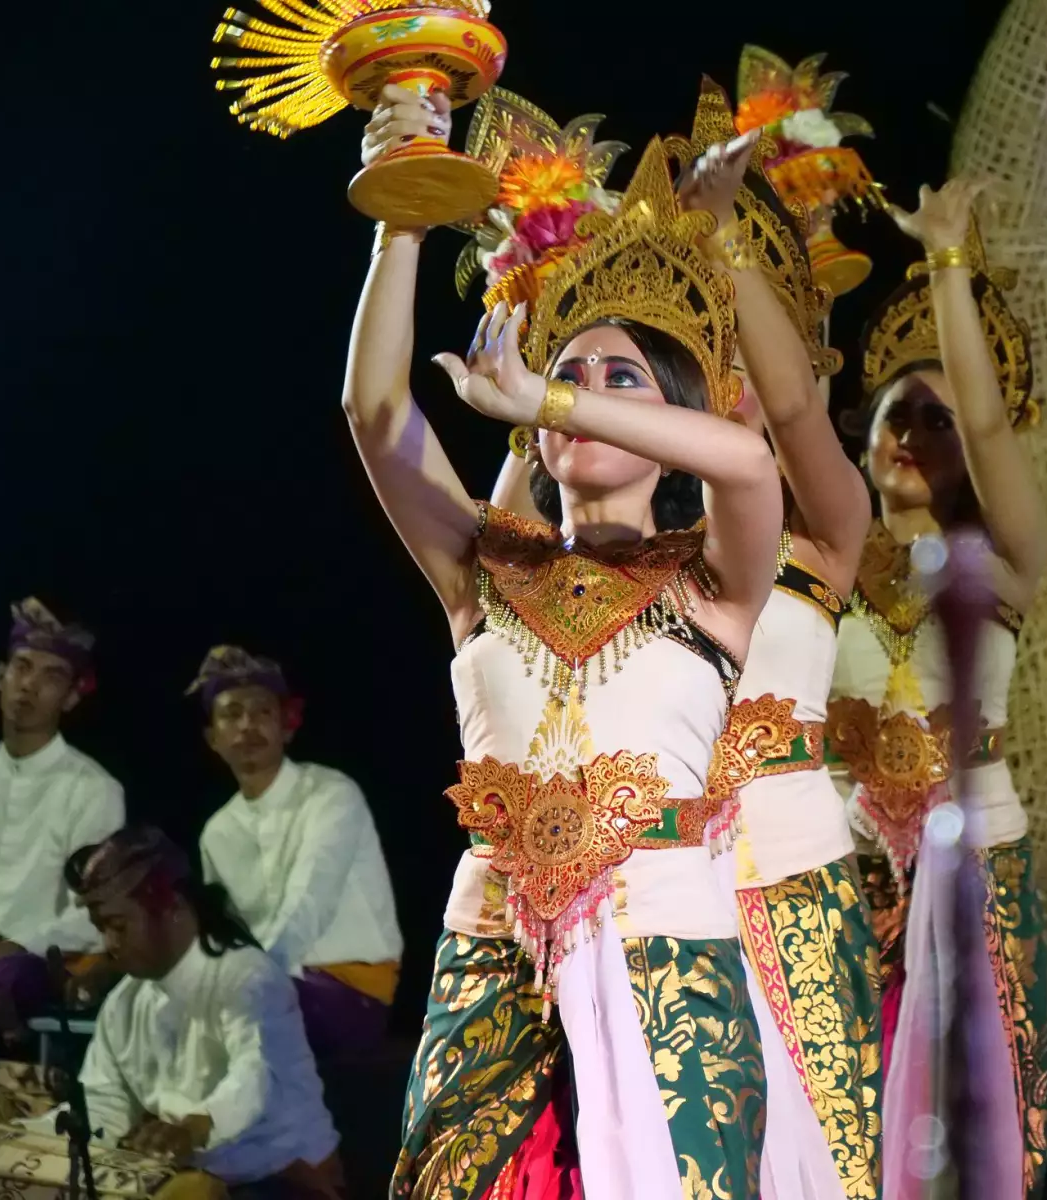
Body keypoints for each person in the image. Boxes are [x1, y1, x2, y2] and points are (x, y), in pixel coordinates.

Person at [344, 86, 782, 1199]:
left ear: (667, 427)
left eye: (618, 379)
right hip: (492, 945)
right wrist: (404, 214)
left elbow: (748, 464)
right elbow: (376, 416)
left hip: (669, 952)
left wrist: (549, 396)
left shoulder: (710, 582)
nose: (582, 393)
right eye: (571, 373)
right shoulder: (485, 568)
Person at [826, 184, 1047, 1197]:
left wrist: (950, 260)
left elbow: (993, 428)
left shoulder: (1002, 564)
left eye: (936, 419)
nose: (911, 434)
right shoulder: (820, 565)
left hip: (981, 869)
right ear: (862, 439)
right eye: (893, 416)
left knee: (981, 1129)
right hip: (851, 875)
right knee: (852, 1132)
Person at [679, 88, 882, 1200]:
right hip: (669, 889)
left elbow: (796, 416)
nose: (739, 383)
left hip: (797, 877)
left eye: (751, 360)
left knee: (830, 1165)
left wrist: (719, 233)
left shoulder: (828, 534)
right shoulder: (646, 554)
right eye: (710, 360)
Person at [25, 826, 342, 1197]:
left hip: (285, 1176)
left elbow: (255, 1076)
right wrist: (25, 1135)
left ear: (173, 909)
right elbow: (104, 1103)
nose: (108, 943)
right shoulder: (124, 1002)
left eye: (118, 926)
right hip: (197, 1176)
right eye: (102, 929)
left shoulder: (249, 978)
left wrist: (196, 1127)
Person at [187, 646, 403, 1060]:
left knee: (237, 1021)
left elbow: (309, 900)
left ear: (286, 727)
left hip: (349, 989)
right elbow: (226, 933)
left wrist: (252, 984)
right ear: (212, 738)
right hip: (272, 988)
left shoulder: (331, 794)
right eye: (232, 714)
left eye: (262, 712)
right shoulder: (217, 832)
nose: (248, 725)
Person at [0, 598, 123, 1050]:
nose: (29, 685)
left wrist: (13, 945)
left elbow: (94, 913)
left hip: (38, 964)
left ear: (71, 697)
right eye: (22, 667)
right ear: (0, 677)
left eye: (51, 676)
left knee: (3, 980)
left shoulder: (93, 789)